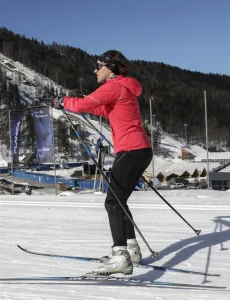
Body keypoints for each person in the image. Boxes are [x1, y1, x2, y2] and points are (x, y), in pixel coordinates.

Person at [52, 50, 153, 275]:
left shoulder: (114, 86)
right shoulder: (124, 88)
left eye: (98, 65)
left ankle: (120, 256)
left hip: (130, 150)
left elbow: (83, 105)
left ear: (110, 67)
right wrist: (72, 104)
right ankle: (131, 249)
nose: (95, 70)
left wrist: (64, 101)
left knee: (112, 202)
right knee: (120, 199)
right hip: (141, 149)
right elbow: (97, 108)